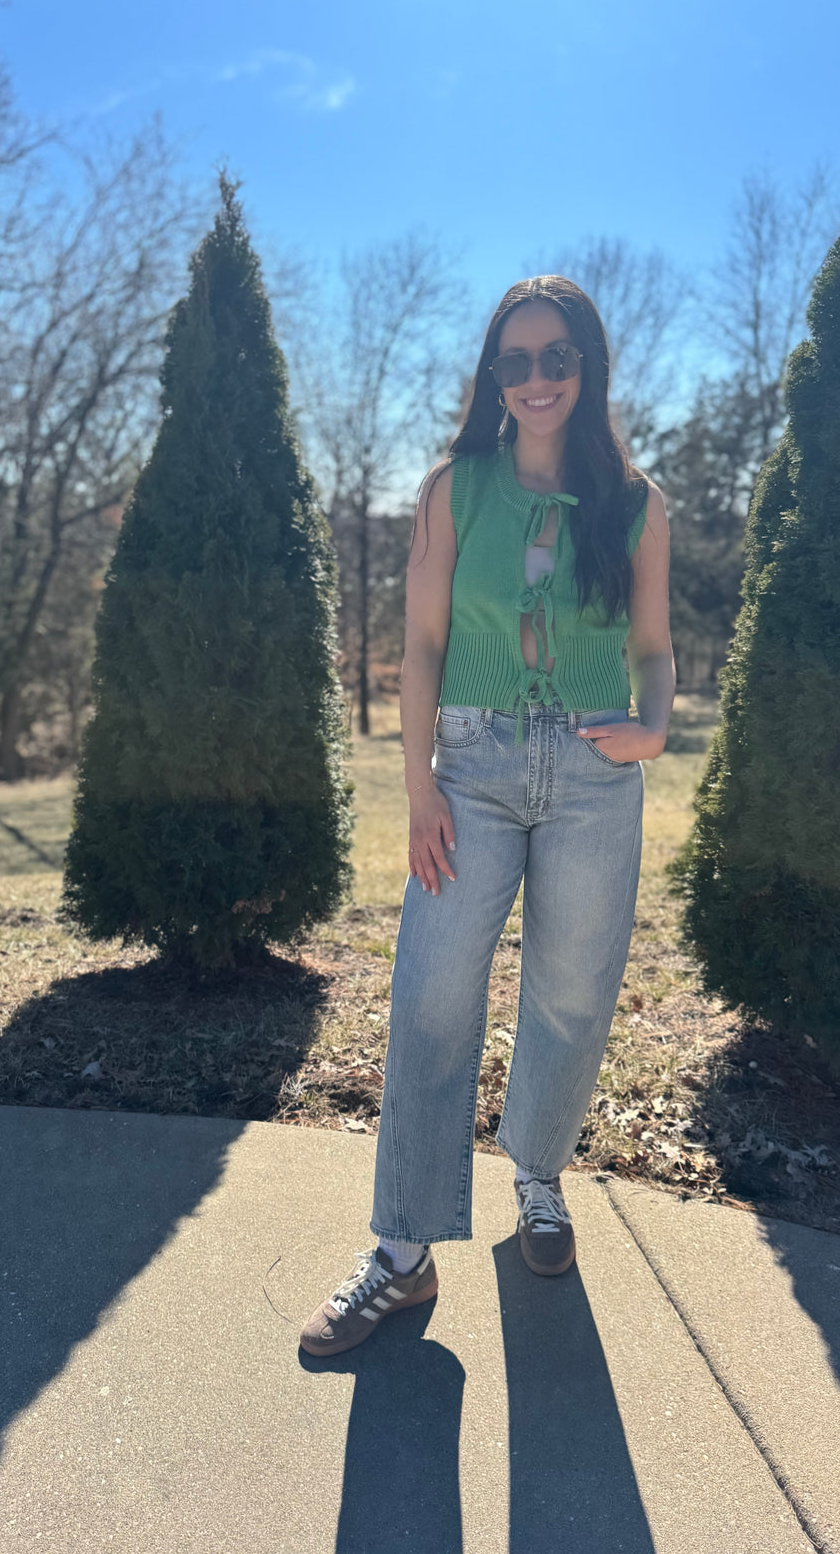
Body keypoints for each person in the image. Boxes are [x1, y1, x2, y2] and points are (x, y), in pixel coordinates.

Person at [300, 276, 674, 1357]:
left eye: (557, 357)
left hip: (598, 769)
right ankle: (403, 1254)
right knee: (429, 994)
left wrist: (652, 730)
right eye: (515, 361)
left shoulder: (638, 504)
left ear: (587, 367)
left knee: (570, 994)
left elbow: (654, 648)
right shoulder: (451, 489)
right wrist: (419, 782)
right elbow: (418, 647)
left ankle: (537, 1176)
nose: (537, 378)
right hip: (471, 765)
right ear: (492, 378)